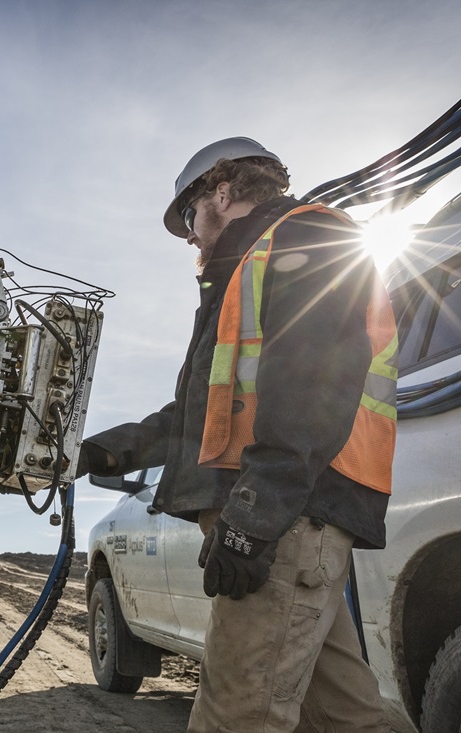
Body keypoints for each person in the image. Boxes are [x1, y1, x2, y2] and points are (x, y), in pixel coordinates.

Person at [76, 138, 397, 732]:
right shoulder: (240, 279)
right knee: (343, 717)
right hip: (296, 525)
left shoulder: (307, 238)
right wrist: (96, 451)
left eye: (190, 218)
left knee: (234, 717)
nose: (192, 237)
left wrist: (251, 524)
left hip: (288, 522)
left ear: (221, 191)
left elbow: (313, 389)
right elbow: (193, 418)